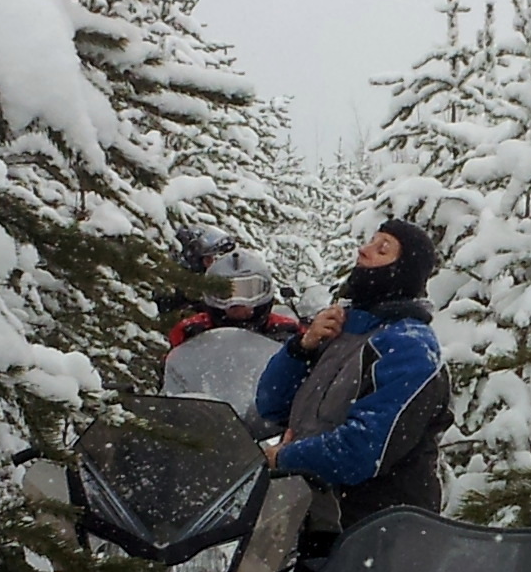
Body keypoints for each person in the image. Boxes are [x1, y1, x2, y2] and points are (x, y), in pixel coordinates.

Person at [254, 219, 453, 525]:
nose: (363, 250)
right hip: (312, 518)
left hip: (378, 532)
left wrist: (283, 458)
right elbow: (271, 405)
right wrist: (302, 348)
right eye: (370, 240)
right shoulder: (341, 332)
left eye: (382, 248)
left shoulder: (408, 346)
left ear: (401, 272)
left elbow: (362, 450)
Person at [163, 226, 297, 348]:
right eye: (225, 293)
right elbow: (173, 365)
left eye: (249, 291)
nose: (238, 302)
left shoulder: (285, 329)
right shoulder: (191, 329)